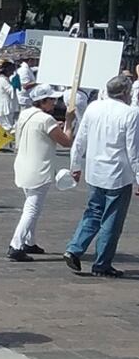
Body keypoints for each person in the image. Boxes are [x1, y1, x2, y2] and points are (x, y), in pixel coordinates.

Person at [64, 75, 139, 278]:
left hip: (96, 171)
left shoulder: (94, 107)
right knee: (112, 220)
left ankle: (74, 248)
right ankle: (102, 263)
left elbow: (80, 140)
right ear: (125, 93)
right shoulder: (130, 114)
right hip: (117, 173)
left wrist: (75, 165)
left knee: (93, 212)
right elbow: (134, 151)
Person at [7, 85, 75, 262]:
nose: (54, 102)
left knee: (31, 206)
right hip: (39, 169)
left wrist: (57, 125)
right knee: (31, 209)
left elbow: (41, 132)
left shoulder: (25, 114)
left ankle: (29, 241)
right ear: (42, 102)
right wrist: (68, 122)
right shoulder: (46, 120)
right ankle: (16, 244)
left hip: (23, 165)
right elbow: (66, 141)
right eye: (50, 100)